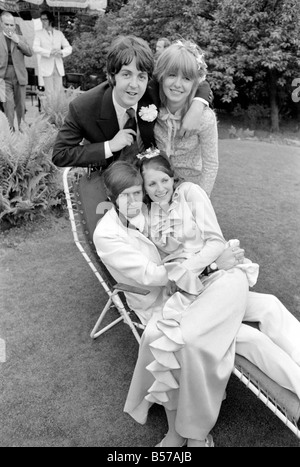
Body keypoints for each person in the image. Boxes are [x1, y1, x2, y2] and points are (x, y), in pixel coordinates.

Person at [93, 156, 300, 448]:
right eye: (126, 195)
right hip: (173, 298)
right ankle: (186, 431)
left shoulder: (161, 206)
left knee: (268, 306)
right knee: (243, 338)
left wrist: (212, 263)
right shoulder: (110, 232)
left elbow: (192, 246)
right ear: (111, 198)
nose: (134, 200)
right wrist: (212, 265)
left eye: (138, 192)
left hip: (199, 288)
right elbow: (154, 274)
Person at [51, 35, 212, 170]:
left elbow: (198, 82)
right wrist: (109, 146)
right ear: (112, 76)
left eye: (141, 76)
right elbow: (60, 154)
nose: (134, 85)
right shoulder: (83, 107)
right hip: (108, 180)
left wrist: (197, 107)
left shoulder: (152, 88)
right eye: (126, 74)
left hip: (150, 179)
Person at [154, 39, 218, 196]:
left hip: (191, 188)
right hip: (157, 188)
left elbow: (211, 164)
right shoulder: (151, 107)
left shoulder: (204, 117)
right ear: (162, 76)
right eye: (172, 75)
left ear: (195, 82)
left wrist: (201, 199)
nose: (177, 84)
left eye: (186, 78)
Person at [0, 11, 33, 130]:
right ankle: (11, 133)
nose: (9, 27)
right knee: (8, 105)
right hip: (3, 77)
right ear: (1, 24)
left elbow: (30, 52)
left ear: (15, 25)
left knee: (21, 105)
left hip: (19, 75)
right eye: (6, 24)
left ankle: (21, 129)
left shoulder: (21, 38)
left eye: (11, 25)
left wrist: (17, 40)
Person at [32, 10, 72, 100]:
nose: (43, 22)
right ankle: (50, 113)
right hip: (46, 66)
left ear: (50, 20)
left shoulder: (59, 33)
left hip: (58, 66)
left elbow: (69, 48)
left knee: (59, 92)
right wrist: (49, 52)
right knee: (49, 93)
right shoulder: (38, 33)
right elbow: (35, 48)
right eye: (41, 19)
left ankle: (58, 112)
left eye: (45, 19)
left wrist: (61, 52)